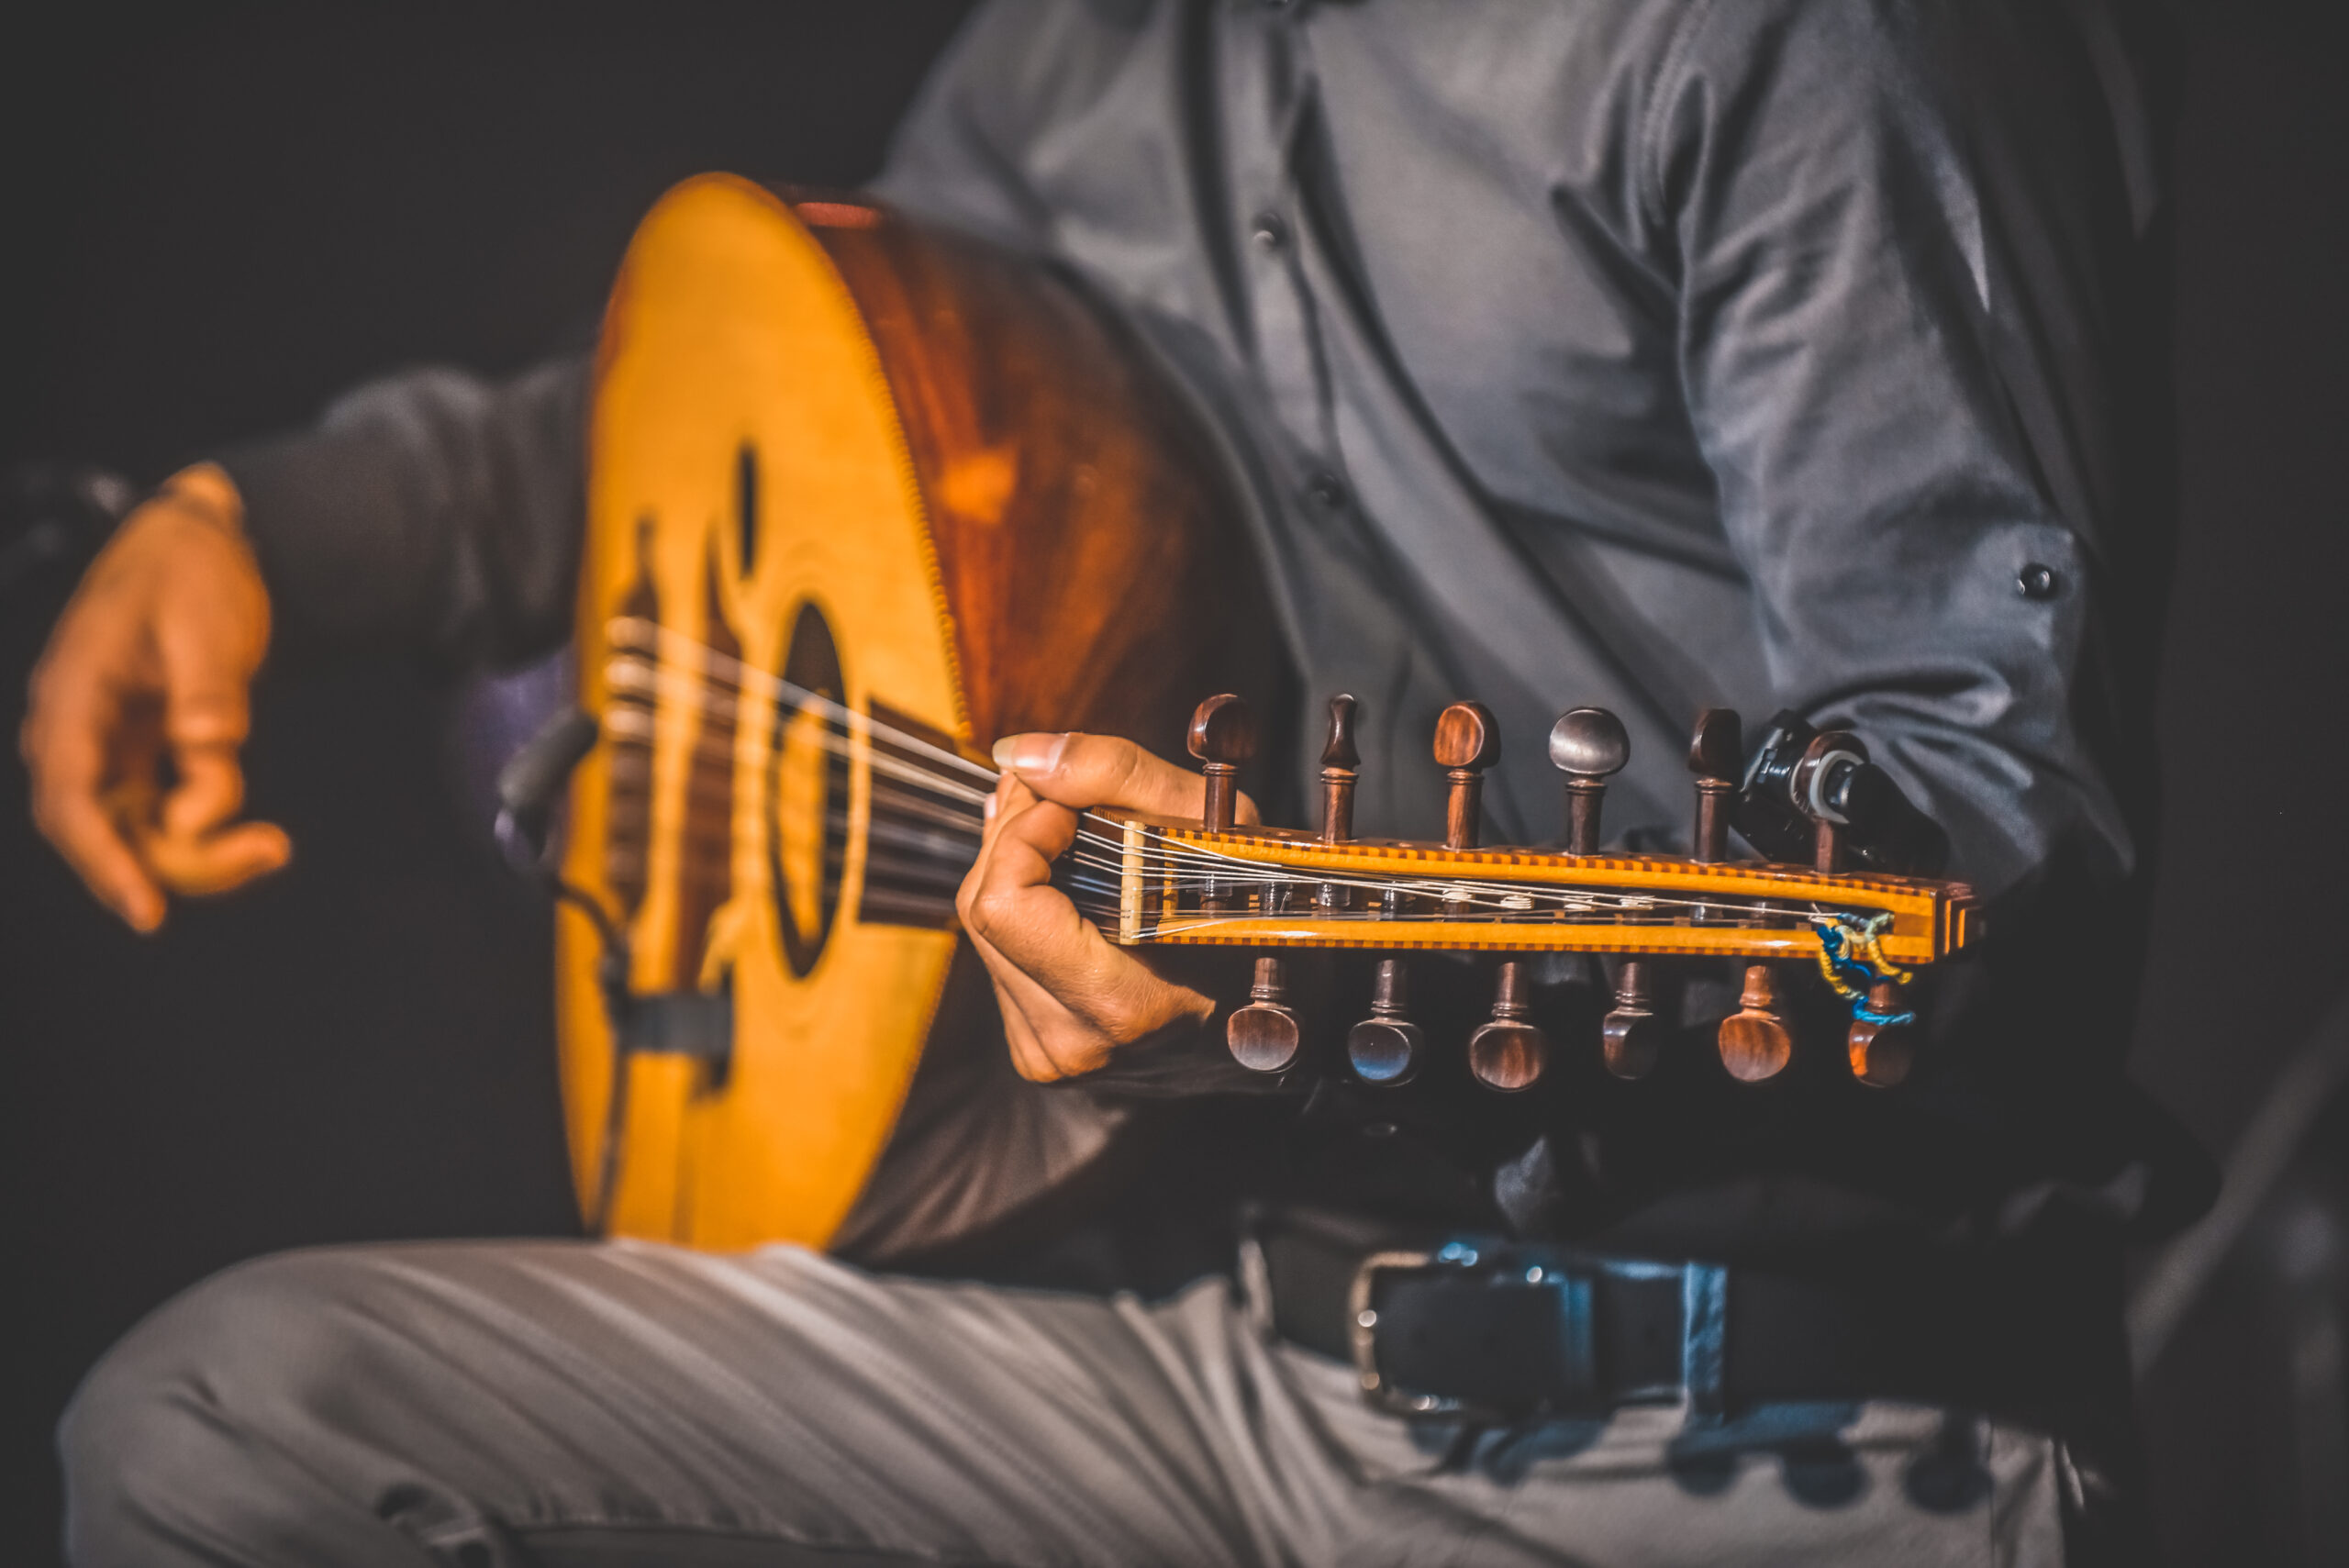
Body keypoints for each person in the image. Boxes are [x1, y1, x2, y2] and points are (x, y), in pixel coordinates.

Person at [23, 2, 2206, 1562]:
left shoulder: (1794, 41)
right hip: (1197, 1359)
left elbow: (1990, 845)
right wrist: (254, 530)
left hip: (1766, 1429)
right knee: (239, 1430)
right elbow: (769, 402)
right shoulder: (1068, 60)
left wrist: (1320, 979)